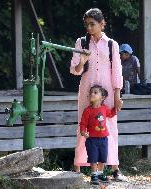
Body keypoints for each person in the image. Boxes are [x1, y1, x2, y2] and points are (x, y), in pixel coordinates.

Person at [70, 8, 127, 181]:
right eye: (86, 24)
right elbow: (75, 71)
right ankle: (77, 170)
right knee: (84, 124)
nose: (89, 27)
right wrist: (82, 61)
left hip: (108, 93)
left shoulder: (112, 44)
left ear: (102, 24)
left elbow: (117, 71)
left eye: (92, 24)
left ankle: (115, 169)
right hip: (87, 91)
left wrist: (117, 96)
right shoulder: (81, 43)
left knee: (110, 127)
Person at [80, 85, 116, 185]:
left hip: (104, 138)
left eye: (95, 92)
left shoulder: (104, 108)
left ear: (102, 97)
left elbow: (111, 114)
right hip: (92, 139)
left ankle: (100, 174)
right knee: (93, 158)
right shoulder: (87, 110)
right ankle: (94, 175)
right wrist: (83, 132)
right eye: (91, 92)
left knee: (103, 157)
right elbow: (83, 124)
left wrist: (117, 107)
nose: (92, 94)